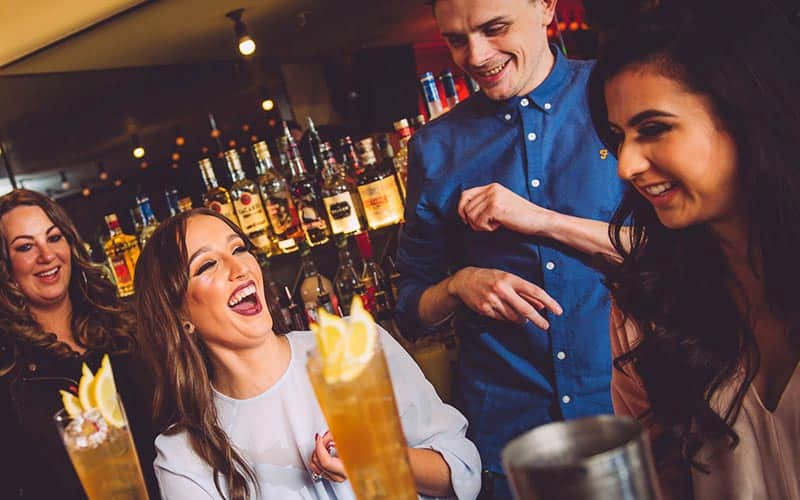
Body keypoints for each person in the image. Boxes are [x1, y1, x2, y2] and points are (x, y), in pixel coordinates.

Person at [395, 1, 624, 496]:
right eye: (456, 40)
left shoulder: (615, 96)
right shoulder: (435, 149)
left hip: (635, 417)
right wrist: (458, 286)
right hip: (514, 445)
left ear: (545, 6)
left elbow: (675, 252)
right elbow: (411, 306)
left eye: (494, 29)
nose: (476, 56)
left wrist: (538, 220)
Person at [588, 2, 800, 498]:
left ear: (746, 114)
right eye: (618, 137)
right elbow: (658, 479)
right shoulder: (647, 303)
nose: (626, 164)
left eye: (654, 128)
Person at [135, 208, 481, 500]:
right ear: (179, 316)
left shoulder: (355, 345)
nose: (239, 268)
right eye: (207, 265)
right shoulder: (181, 455)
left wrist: (377, 459)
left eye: (239, 249)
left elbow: (462, 471)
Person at [0, 189, 159, 499]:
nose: (47, 256)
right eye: (25, 247)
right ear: (5, 267)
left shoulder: (126, 330)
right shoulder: (10, 374)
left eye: (54, 238)